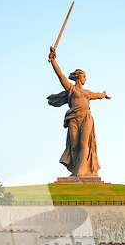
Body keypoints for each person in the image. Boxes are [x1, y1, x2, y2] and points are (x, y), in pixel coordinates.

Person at [47, 47, 110, 177]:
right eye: (84, 76)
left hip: (86, 116)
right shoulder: (71, 89)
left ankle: (82, 170)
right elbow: (61, 76)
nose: (85, 79)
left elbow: (97, 95)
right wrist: (53, 61)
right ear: (78, 77)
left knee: (84, 142)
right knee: (74, 145)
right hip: (73, 117)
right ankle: (76, 169)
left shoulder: (87, 93)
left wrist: (104, 94)